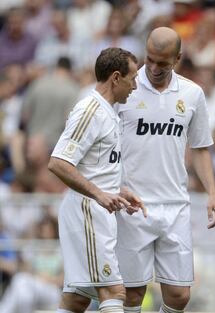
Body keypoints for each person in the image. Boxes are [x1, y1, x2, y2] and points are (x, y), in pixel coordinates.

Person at [115, 26, 215, 313]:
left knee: (179, 296)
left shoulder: (192, 93)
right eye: (149, 59)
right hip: (132, 205)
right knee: (133, 293)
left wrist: (213, 193)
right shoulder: (125, 87)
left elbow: (200, 147)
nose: (153, 67)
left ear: (177, 59)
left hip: (175, 205)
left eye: (162, 62)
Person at [48, 47, 146, 313]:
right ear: (116, 77)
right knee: (114, 291)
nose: (135, 86)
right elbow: (58, 162)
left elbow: (95, 167)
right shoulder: (90, 110)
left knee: (77, 299)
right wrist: (99, 194)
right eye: (132, 78)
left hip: (95, 212)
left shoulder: (109, 112)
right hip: (87, 212)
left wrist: (119, 191)